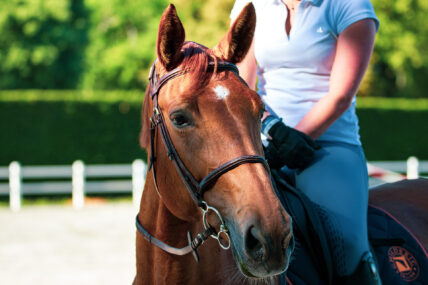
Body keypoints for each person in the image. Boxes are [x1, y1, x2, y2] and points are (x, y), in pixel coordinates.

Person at [230, 0, 380, 284]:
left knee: (346, 243)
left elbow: (340, 96)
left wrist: (294, 138)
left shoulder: (350, 5)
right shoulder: (250, 5)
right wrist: (272, 129)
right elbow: (241, 86)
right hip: (264, 144)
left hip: (329, 146)